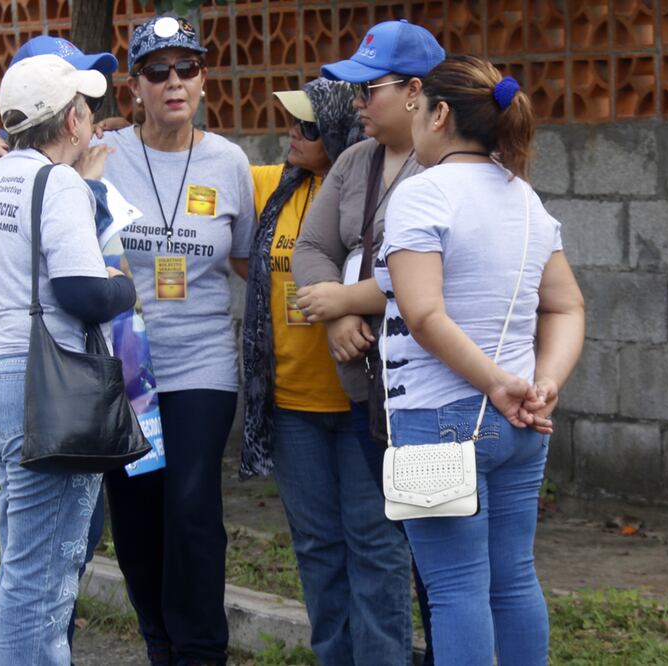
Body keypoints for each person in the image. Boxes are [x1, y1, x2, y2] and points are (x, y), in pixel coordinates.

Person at [376, 55, 586, 665]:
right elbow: (568, 306)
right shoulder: (525, 199)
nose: (412, 122)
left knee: (455, 588)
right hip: (522, 421)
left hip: (437, 420)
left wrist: (498, 383)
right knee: (513, 579)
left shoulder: (421, 195)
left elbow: (422, 314)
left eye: (417, 109)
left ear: (440, 114)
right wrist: (541, 383)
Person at [0, 54, 136, 665]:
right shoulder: (58, 183)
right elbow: (80, 292)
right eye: (84, 109)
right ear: (73, 120)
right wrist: (124, 286)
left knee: (23, 564)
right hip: (46, 389)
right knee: (44, 580)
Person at [92, 16, 255, 666]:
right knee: (135, 509)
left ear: (203, 78)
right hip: (128, 365)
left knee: (191, 503)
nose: (174, 82)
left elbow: (246, 258)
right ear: (135, 87)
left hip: (203, 363)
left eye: (187, 68)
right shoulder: (105, 155)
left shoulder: (229, 161)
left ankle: (200, 650)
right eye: (157, 71)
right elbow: (36, 165)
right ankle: (158, 637)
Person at [290, 19, 446, 664]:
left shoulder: (445, 165)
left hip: (427, 389)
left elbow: (443, 279)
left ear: (415, 92)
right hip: (365, 384)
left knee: (397, 547)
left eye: (368, 89)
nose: (356, 102)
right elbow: (312, 247)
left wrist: (351, 300)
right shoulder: (354, 160)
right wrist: (333, 318)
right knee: (339, 541)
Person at [242, 78, 411, 665]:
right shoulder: (273, 186)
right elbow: (191, 154)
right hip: (294, 405)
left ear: (337, 132)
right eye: (291, 124)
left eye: (309, 128)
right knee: (316, 548)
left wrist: (344, 311)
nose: (294, 134)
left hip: (364, 403)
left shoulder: (379, 184)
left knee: (376, 547)